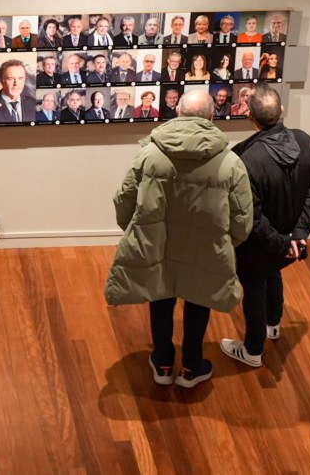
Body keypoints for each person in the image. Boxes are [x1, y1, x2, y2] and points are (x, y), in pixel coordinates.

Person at [106, 90, 253, 388]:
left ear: (177, 114)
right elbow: (242, 220)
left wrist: (139, 231)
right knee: (199, 299)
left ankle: (161, 361)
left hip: (158, 241)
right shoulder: (230, 162)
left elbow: (124, 200)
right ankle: (192, 366)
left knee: (160, 295)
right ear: (212, 118)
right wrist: (225, 243)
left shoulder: (150, 153)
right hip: (204, 248)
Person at [221, 85, 310, 369]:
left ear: (250, 118)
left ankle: (253, 349)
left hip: (263, 245)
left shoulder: (246, 159)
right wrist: (297, 236)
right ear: (281, 111)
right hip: (288, 243)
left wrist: (284, 242)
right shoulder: (305, 141)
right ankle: (273, 323)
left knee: (255, 286)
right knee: (273, 271)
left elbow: (251, 218)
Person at [0, 59, 35, 123]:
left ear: (24, 80)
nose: (16, 84)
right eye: (11, 79)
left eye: (20, 78)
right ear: (2, 80)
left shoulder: (33, 103)